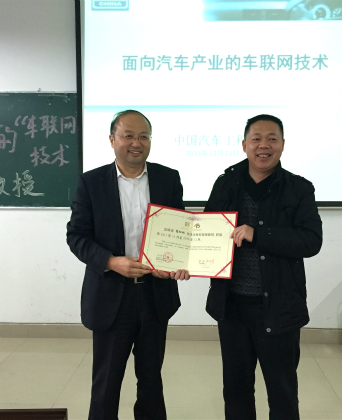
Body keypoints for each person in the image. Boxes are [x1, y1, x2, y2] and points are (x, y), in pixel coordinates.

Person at [66, 110, 190, 420]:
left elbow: (181, 231)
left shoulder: (168, 178)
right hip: (111, 296)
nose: (137, 143)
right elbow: (77, 237)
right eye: (128, 136)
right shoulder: (91, 182)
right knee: (106, 383)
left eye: (144, 136)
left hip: (154, 295)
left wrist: (177, 262)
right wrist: (110, 261)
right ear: (112, 140)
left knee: (151, 381)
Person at [204, 114, 322, 420]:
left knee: (282, 392)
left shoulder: (299, 188)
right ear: (244, 144)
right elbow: (205, 234)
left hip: (279, 307)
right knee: (236, 390)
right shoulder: (225, 183)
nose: (263, 145)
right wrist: (186, 261)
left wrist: (258, 235)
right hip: (232, 307)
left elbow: (311, 241)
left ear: (283, 144)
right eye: (256, 139)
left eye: (272, 139)